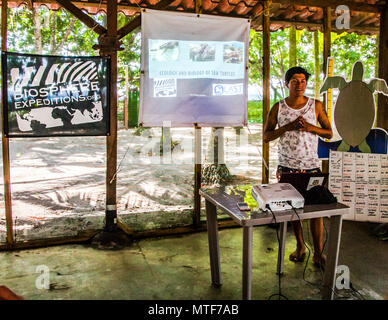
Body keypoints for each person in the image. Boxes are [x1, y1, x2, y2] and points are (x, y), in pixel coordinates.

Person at [263, 66, 333, 268]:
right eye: (295, 80)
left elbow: (329, 133)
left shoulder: (316, 106)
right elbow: (266, 136)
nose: (299, 84)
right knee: (294, 210)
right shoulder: (279, 108)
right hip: (287, 167)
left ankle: (318, 253)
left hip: (312, 167)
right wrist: (287, 127)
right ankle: (301, 246)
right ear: (287, 84)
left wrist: (311, 128)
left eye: (303, 80)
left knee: (316, 211)